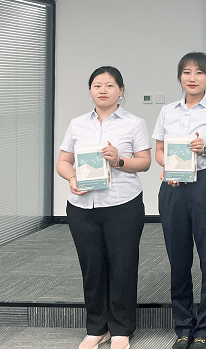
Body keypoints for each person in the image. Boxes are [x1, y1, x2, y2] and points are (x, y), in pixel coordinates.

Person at [57, 66, 152, 349]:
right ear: (90, 91)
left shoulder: (134, 123)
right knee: (92, 268)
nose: (102, 90)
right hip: (82, 206)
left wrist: (118, 160)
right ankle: (96, 328)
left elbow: (144, 162)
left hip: (122, 204)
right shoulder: (77, 124)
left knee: (123, 266)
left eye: (110, 85)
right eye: (97, 85)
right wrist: (72, 178)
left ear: (121, 91)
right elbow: (63, 161)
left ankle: (121, 329)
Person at [154, 52, 206, 349]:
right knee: (178, 258)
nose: (192, 78)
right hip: (174, 186)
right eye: (187, 72)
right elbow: (159, 151)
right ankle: (183, 326)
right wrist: (168, 167)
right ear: (180, 77)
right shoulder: (167, 111)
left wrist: (205, 149)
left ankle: (205, 326)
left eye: (199, 72)